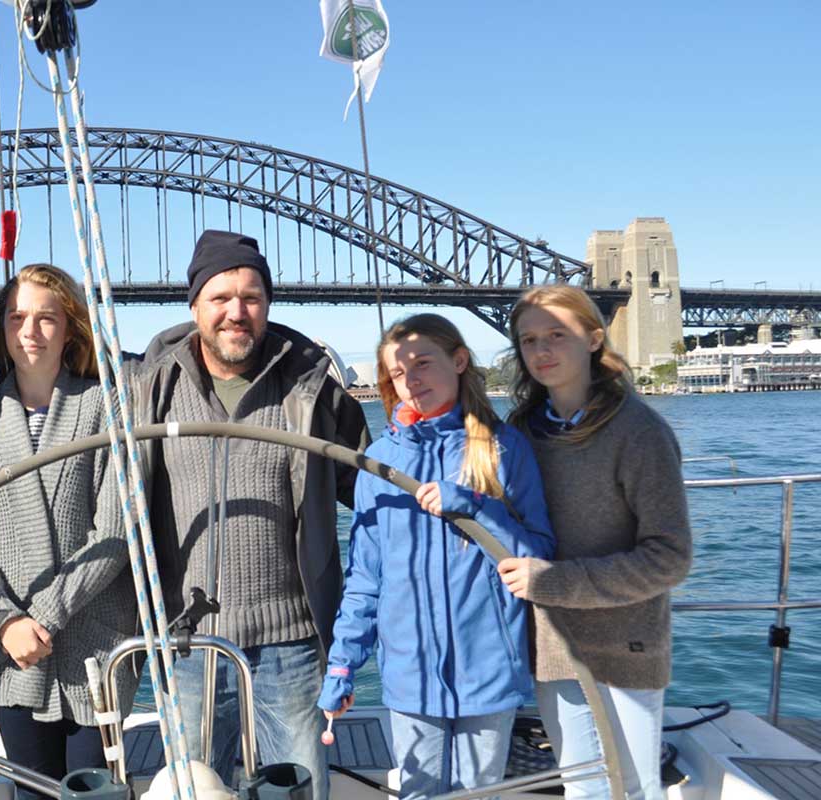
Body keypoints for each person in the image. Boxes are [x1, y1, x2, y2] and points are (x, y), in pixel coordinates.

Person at [132, 230, 369, 798]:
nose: (236, 312)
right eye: (221, 297)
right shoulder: (148, 385)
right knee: (192, 791)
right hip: (187, 646)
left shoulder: (312, 388)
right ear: (194, 305)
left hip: (291, 644)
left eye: (252, 297)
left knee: (300, 790)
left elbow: (371, 488)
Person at [318, 313, 555, 799]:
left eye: (423, 363)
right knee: (417, 791)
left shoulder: (505, 449)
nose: (412, 380)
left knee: (479, 791)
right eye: (399, 373)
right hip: (410, 673)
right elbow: (365, 579)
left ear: (460, 360)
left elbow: (539, 553)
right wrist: (343, 663)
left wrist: (476, 507)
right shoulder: (378, 465)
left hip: (489, 671)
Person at [0, 264, 137, 794]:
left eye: (46, 318)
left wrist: (45, 617)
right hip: (12, 647)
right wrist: (7, 620)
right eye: (16, 317)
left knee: (93, 788)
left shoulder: (105, 404)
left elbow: (115, 531)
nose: (29, 331)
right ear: (1, 329)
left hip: (93, 643)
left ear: (71, 327)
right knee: (32, 789)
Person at [498, 285, 692, 800]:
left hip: (624, 646)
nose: (541, 350)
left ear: (593, 338)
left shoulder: (639, 432)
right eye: (529, 339)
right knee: (583, 788)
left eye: (557, 335)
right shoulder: (520, 433)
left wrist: (554, 583)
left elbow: (670, 557)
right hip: (553, 646)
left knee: (631, 788)